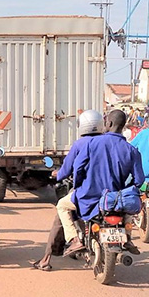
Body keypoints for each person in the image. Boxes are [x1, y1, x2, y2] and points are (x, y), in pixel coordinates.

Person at [31, 109, 103, 272]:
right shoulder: (107, 142)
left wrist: (58, 174)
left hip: (86, 193)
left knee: (62, 208)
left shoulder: (80, 144)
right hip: (109, 194)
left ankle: (60, 249)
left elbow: (67, 168)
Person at [69, 110, 145, 253]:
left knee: (66, 205)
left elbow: (78, 168)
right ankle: (127, 238)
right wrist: (126, 190)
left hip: (90, 198)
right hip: (116, 198)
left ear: (109, 123)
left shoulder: (92, 143)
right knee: (127, 209)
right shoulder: (131, 150)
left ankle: (78, 239)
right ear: (123, 126)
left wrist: (79, 185)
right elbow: (139, 180)